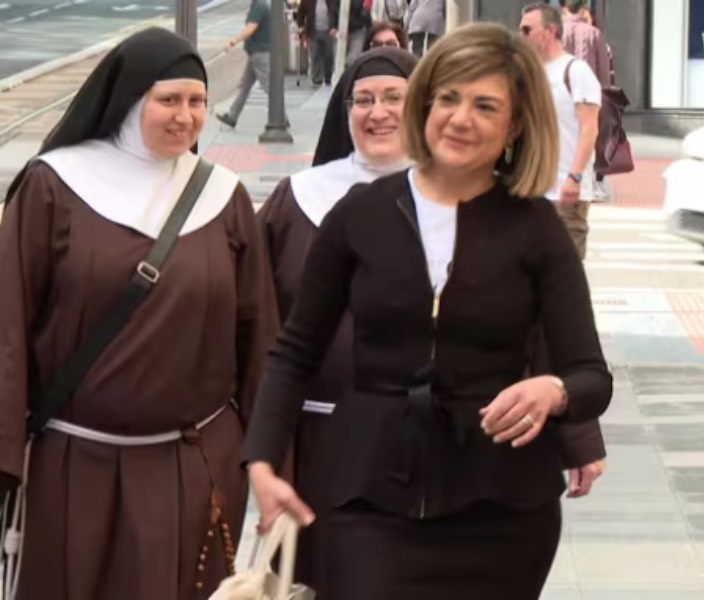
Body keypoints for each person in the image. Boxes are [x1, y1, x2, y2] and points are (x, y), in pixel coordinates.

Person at [242, 22, 612, 599]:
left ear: (515, 125)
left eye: (485, 105)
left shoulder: (538, 230)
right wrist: (261, 460)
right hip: (366, 497)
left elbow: (591, 375)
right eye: (449, 98)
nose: (461, 118)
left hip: (503, 510)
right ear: (428, 104)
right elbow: (293, 352)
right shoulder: (359, 214)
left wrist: (553, 393)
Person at [0, 27, 276, 600]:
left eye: (197, 101)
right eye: (168, 100)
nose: (186, 117)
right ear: (129, 101)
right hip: (73, 467)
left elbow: (261, 338)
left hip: (191, 468)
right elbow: (7, 326)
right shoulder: (54, 187)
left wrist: (264, 458)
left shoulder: (223, 197)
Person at [257, 46, 418, 594]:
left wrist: (576, 433)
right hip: (317, 443)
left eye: (395, 98)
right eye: (364, 99)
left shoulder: (464, 200)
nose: (378, 112)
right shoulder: (299, 198)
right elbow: (251, 312)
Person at [520, 2, 601, 260]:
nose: (521, 36)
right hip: (537, 190)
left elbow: (590, 128)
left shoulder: (576, 71)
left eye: (527, 29)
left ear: (550, 31)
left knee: (566, 270)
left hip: (566, 192)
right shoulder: (534, 73)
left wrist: (574, 177)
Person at [217, 0, 275, 128]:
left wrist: (233, 41)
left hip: (260, 54)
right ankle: (232, 116)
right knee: (244, 86)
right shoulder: (260, 5)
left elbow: (251, 28)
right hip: (255, 54)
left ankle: (280, 118)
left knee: (269, 87)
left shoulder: (260, 6)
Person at [560, 0, 610, 88]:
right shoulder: (594, 33)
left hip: (562, 90)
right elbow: (603, 72)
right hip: (587, 91)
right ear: (582, 9)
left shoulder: (558, 32)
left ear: (565, 9)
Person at [295, 0, 340, 87]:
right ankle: (317, 78)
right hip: (313, 31)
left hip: (328, 31)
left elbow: (336, 13)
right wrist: (301, 26)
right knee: (315, 55)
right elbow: (300, 13)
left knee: (329, 55)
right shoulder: (307, 1)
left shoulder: (331, 1)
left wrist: (335, 26)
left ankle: (328, 77)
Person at [345, 0, 371, 65]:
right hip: (342, 29)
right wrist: (333, 26)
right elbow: (334, 9)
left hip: (358, 29)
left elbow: (365, 11)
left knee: (353, 58)